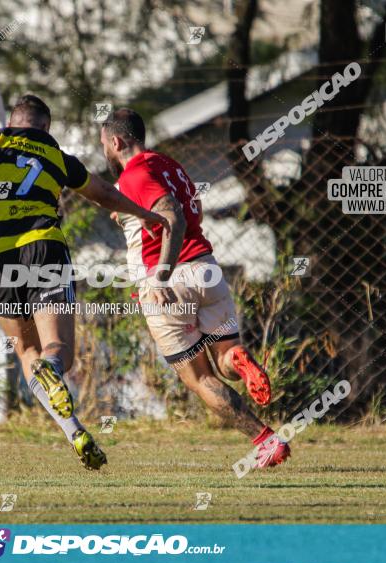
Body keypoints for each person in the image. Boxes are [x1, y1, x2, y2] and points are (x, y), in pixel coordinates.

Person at [0, 95, 169, 470]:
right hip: (44, 250)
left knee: (27, 353)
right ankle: (55, 378)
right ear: (45, 128)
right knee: (58, 352)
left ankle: (74, 432)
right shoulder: (59, 158)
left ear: (12, 122)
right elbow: (103, 194)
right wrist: (144, 214)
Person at [100, 108, 289, 469]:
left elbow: (173, 215)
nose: (105, 154)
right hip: (206, 269)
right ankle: (239, 360)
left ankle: (266, 441)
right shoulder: (168, 165)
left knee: (200, 377)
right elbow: (180, 207)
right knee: (225, 359)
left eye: (104, 146)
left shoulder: (135, 173)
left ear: (116, 141)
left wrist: (161, 276)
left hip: (168, 283)